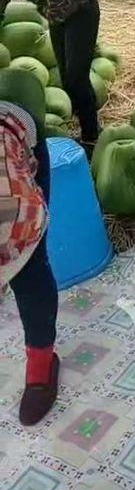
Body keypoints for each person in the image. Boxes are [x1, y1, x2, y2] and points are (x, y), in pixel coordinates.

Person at [0, 0, 100, 144]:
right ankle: (87, 131)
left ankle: (92, 138)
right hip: (58, 13)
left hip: (79, 7)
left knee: (76, 79)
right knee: (67, 80)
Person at [0, 69, 59, 426]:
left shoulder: (10, 201)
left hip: (15, 137)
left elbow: (27, 222)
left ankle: (41, 363)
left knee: (30, 269)